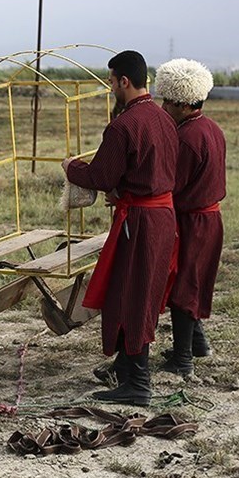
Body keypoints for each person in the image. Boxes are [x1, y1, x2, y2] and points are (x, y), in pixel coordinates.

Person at [62, 50, 179, 406]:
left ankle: (138, 384)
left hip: (140, 223)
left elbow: (100, 175)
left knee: (131, 294)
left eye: (112, 81)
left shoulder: (123, 125)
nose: (111, 87)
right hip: (162, 217)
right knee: (143, 292)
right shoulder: (164, 119)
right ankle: (128, 371)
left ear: (124, 81)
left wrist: (72, 167)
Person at [155, 58, 226, 376]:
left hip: (191, 221)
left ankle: (182, 360)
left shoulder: (186, 138)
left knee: (183, 286)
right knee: (194, 281)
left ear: (182, 103)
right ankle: (197, 344)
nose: (163, 107)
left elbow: (172, 184)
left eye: (167, 101)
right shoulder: (211, 128)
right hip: (210, 219)